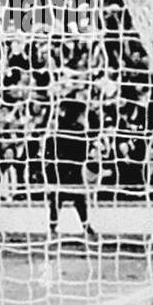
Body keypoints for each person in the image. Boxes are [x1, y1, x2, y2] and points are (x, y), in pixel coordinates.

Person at [43, 99, 98, 240]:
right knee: (78, 201)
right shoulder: (78, 131)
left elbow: (49, 148)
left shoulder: (59, 129)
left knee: (57, 201)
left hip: (59, 170)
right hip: (72, 170)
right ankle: (86, 228)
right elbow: (85, 148)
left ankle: (53, 228)